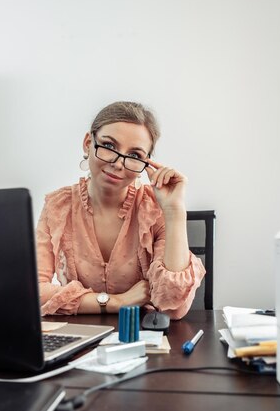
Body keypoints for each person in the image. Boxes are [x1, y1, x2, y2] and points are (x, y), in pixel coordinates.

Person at [36, 101, 205, 320]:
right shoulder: (57, 206)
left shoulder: (155, 208)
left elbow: (174, 309)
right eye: (109, 146)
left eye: (134, 156)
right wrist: (117, 302)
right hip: (81, 338)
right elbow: (33, 293)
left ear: (146, 163)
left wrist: (174, 212)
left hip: (143, 339)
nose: (118, 163)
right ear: (88, 143)